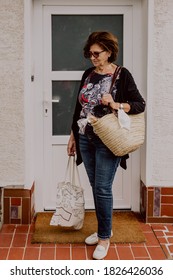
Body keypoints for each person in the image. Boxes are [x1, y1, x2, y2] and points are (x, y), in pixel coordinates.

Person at [67, 31, 145, 259]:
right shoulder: (88, 74)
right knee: (96, 186)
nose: (92, 57)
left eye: (97, 53)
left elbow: (140, 104)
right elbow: (78, 107)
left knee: (102, 188)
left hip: (108, 140)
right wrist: (72, 135)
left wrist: (116, 104)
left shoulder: (122, 75)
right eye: (89, 53)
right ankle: (105, 228)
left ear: (109, 52)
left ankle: (104, 238)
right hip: (85, 137)